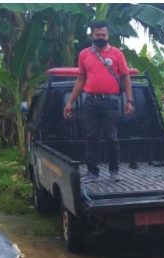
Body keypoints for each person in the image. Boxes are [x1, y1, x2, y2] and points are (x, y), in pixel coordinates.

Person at [63, 21, 134, 182]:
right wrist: (70, 102)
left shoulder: (117, 54)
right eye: (97, 35)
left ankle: (114, 171)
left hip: (111, 102)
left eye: (103, 35)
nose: (100, 37)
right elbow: (81, 79)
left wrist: (130, 101)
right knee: (91, 137)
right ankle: (92, 173)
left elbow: (126, 77)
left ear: (108, 35)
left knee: (112, 138)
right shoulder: (84, 55)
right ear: (92, 35)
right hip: (91, 102)